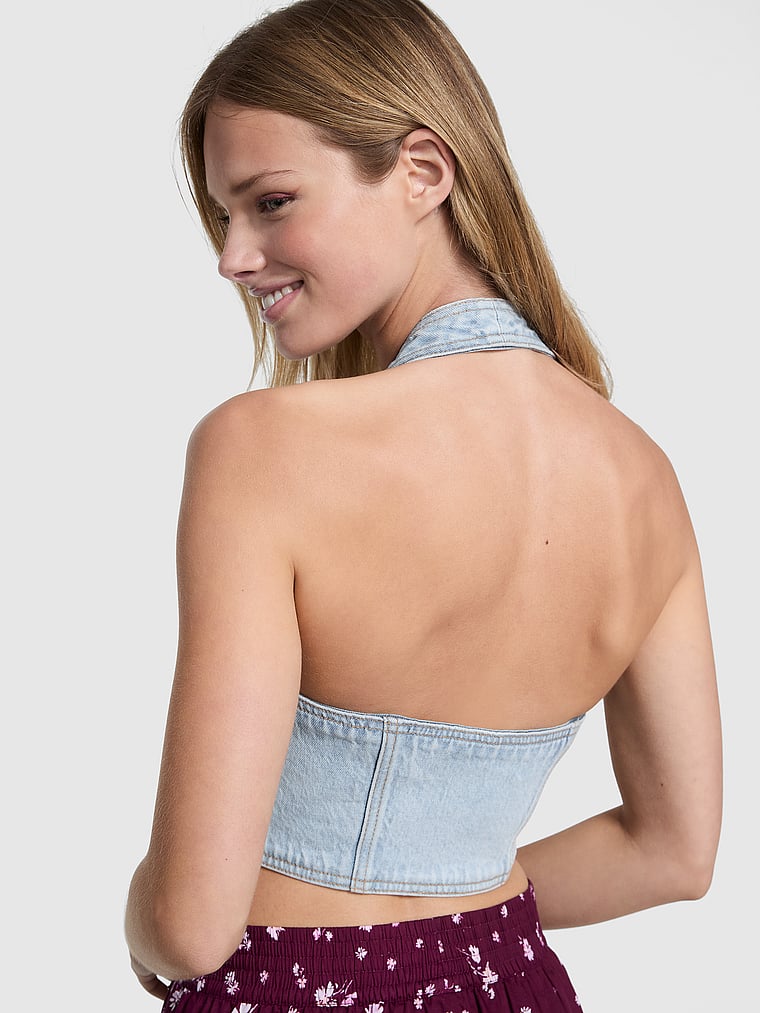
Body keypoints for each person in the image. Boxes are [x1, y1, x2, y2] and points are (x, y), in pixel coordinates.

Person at [124, 0, 722, 1009]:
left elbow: (191, 923)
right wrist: (451, 912)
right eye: (225, 216)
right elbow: (671, 851)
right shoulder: (644, 476)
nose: (232, 255)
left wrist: (141, 914)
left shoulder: (262, 447)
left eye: (270, 202)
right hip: (514, 982)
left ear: (422, 171)